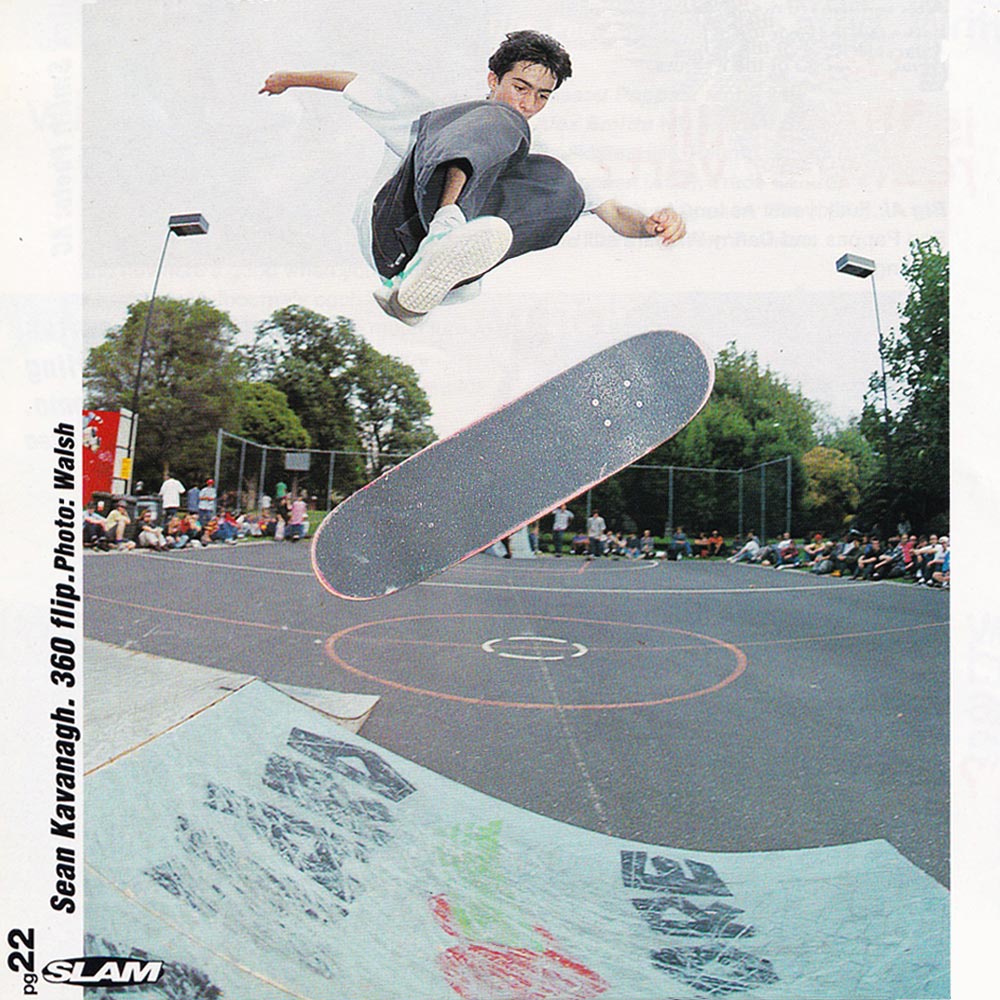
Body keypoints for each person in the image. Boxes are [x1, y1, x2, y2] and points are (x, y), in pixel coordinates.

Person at [260, 30, 686, 325]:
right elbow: (355, 82)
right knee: (500, 122)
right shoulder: (440, 110)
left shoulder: (546, 145)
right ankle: (445, 231)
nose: (529, 104)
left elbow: (612, 211)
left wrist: (650, 224)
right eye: (520, 87)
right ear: (492, 78)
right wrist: (287, 79)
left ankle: (425, 285)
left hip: (424, 274)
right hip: (396, 232)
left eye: (542, 96)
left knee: (564, 183)